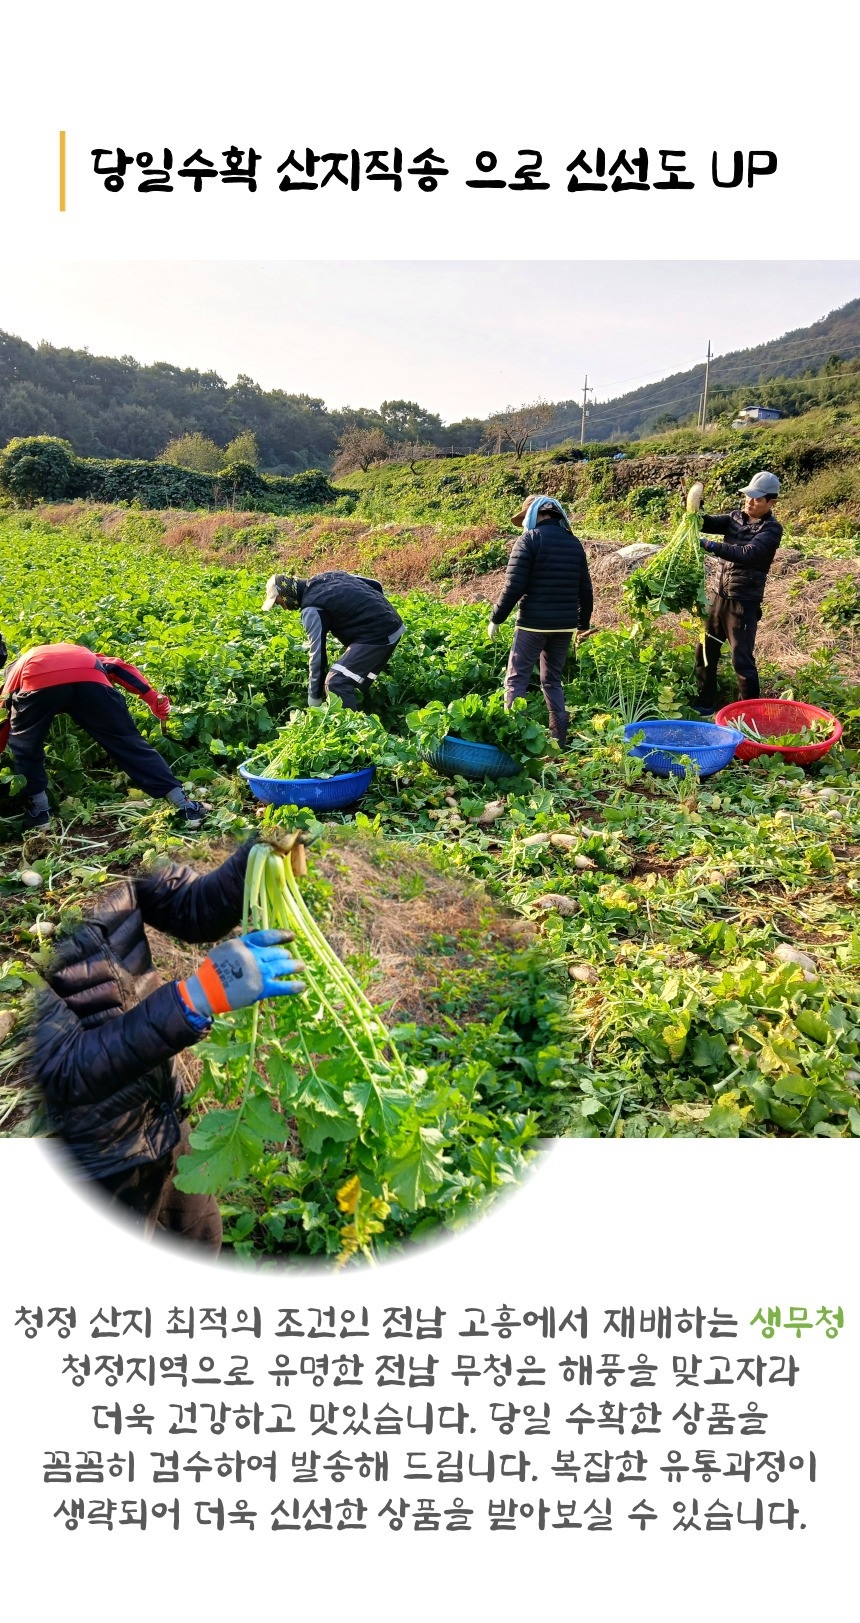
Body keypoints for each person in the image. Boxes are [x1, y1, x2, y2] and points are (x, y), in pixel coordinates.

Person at [31, 837, 305, 1253]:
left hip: (160, 1112)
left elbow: (190, 907)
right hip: (91, 1159)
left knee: (201, 1238)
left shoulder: (89, 834)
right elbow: (58, 1070)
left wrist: (255, 856)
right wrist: (193, 999)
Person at [0, 641, 206, 830]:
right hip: (89, 675)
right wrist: (151, 696)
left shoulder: (15, 671)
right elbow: (118, 667)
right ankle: (185, 807)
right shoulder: (81, 652)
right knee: (127, 742)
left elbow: (4, 718)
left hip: (38, 678)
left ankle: (40, 815)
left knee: (25, 748)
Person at [487, 494, 594, 749]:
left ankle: (516, 738)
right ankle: (559, 739)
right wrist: (583, 624)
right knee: (552, 680)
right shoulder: (573, 543)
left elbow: (513, 586)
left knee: (516, 678)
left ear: (534, 516)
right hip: (564, 625)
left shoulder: (529, 540)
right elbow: (586, 589)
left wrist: (496, 618)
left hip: (533, 624)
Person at [692, 471, 783, 713]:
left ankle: (749, 712)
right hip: (719, 596)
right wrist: (695, 508)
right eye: (748, 497)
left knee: (740, 659)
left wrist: (710, 545)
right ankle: (704, 703)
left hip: (743, 602)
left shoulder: (772, 529)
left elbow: (748, 554)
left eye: (757, 499)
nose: (750, 502)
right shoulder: (735, 517)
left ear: (771, 502)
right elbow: (705, 522)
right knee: (705, 650)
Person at [262, 571, 405, 710]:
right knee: (353, 678)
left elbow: (317, 656)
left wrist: (314, 697)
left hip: (377, 635)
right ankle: (364, 710)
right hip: (393, 625)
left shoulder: (311, 608)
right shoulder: (329, 576)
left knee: (336, 682)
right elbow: (375, 584)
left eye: (280, 603)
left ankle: (349, 730)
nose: (284, 608)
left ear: (285, 593)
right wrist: (379, 613)